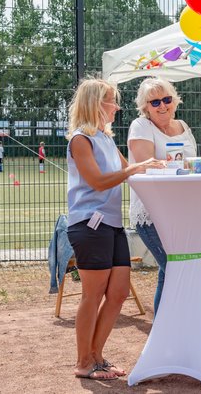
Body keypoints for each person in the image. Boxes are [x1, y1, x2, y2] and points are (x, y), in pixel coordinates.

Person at [66, 78, 164, 380]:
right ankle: (84, 361)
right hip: (89, 224)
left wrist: (162, 169)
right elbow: (99, 181)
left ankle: (97, 356)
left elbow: (129, 172)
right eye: (112, 101)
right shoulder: (81, 140)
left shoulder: (105, 138)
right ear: (96, 104)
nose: (117, 107)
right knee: (92, 295)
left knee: (119, 292)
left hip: (111, 224)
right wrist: (134, 167)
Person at [128, 77, 197, 316]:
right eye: (155, 102)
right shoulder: (141, 126)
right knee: (174, 267)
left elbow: (193, 164)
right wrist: (176, 166)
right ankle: (169, 325)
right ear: (145, 107)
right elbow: (145, 166)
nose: (162, 106)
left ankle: (168, 324)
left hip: (182, 210)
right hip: (151, 213)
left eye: (166, 99)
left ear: (175, 101)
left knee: (170, 270)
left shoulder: (183, 126)